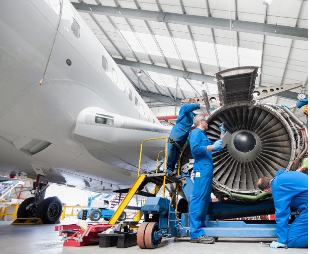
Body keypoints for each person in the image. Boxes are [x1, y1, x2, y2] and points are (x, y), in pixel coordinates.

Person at [188, 114, 225, 243]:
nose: (208, 124)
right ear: (201, 121)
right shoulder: (195, 133)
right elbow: (196, 150)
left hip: (207, 170)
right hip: (201, 170)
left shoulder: (203, 136)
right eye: (206, 121)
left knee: (204, 201)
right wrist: (213, 146)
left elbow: (218, 147)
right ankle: (196, 234)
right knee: (198, 199)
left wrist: (222, 134)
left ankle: (201, 229)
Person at [257, 169, 308, 248]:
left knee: (292, 241)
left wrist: (281, 241)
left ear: (266, 190)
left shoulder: (277, 187)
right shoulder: (285, 175)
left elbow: (282, 214)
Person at [166, 98, 206, 175]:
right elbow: (193, 107)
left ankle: (172, 171)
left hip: (184, 135)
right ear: (190, 103)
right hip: (177, 132)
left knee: (177, 153)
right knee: (171, 150)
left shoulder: (191, 115)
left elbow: (199, 119)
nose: (195, 104)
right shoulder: (184, 107)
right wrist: (205, 106)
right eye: (194, 103)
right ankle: (168, 170)